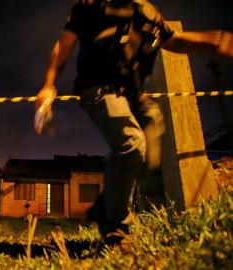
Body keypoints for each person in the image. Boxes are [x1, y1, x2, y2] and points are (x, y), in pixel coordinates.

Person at [35, 0, 233, 246]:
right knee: (132, 142)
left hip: (132, 93)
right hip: (98, 88)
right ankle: (116, 231)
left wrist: (211, 41)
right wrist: (48, 84)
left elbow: (173, 40)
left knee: (151, 142)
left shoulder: (147, 13)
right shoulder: (89, 7)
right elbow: (62, 47)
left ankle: (104, 206)